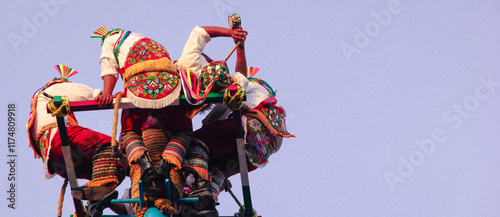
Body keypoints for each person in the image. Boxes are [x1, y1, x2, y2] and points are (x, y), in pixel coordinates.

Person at [91, 25, 193, 190]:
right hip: (168, 85)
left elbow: (109, 67)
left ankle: (144, 162)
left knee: (128, 132)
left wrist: (107, 93)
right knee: (184, 131)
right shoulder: (145, 40)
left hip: (139, 86)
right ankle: (167, 164)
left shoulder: (110, 41)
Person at [26, 65, 127, 217]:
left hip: (58, 163)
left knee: (113, 167)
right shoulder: (53, 88)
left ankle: (98, 199)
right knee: (109, 145)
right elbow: (76, 91)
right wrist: (99, 94)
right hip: (59, 140)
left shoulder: (36, 111)